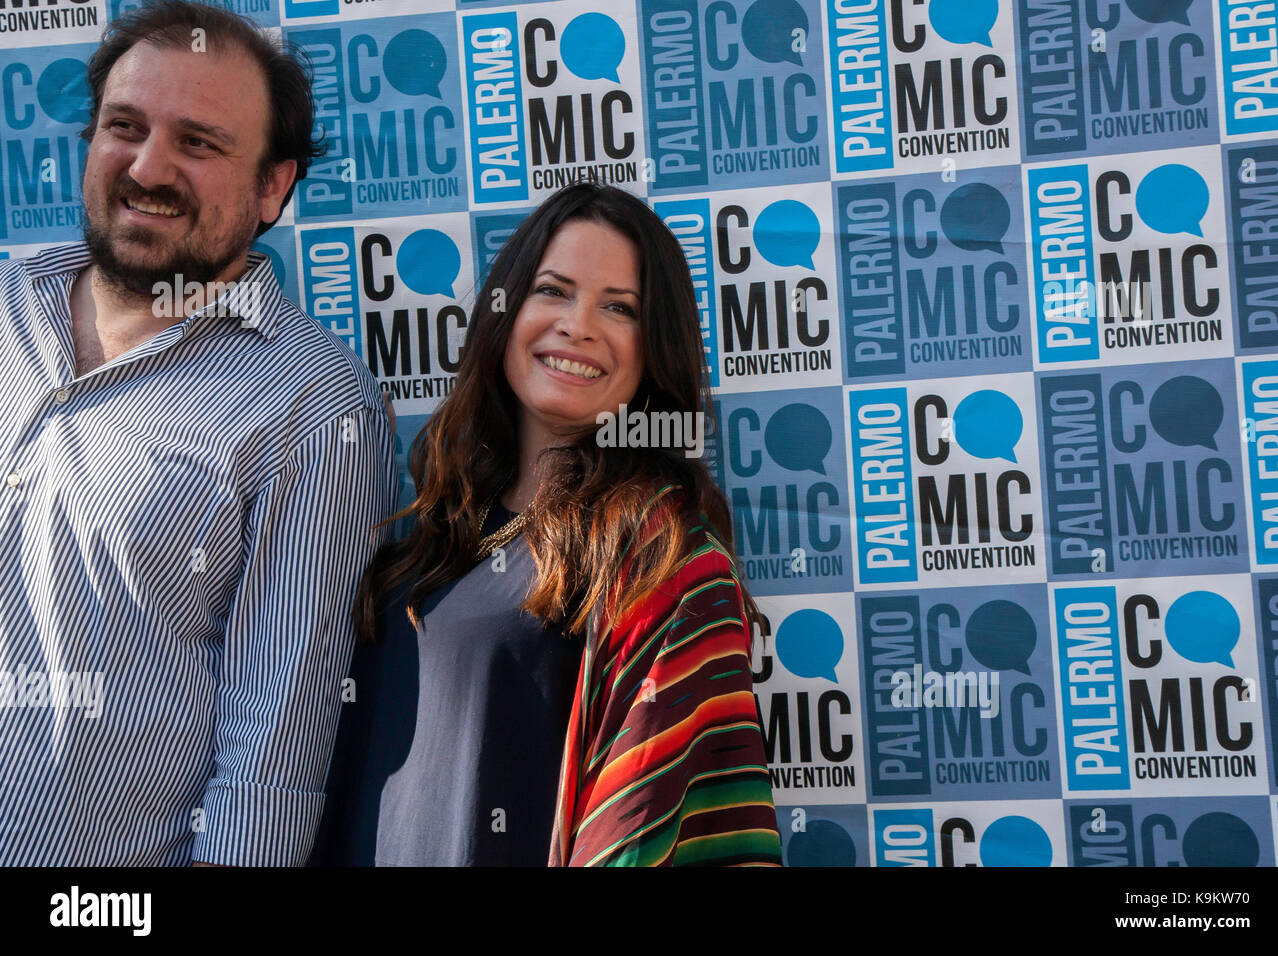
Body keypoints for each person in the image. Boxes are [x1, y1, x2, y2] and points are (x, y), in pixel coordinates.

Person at [0, 1, 397, 865]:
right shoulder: (5, 309)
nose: (148, 167)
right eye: (124, 127)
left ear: (272, 186)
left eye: (198, 143)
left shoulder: (313, 405)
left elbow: (273, 744)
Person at [314, 182, 782, 867]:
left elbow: (651, 825)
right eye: (553, 291)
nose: (578, 324)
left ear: (654, 349)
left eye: (618, 307)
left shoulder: (664, 561)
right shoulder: (436, 537)